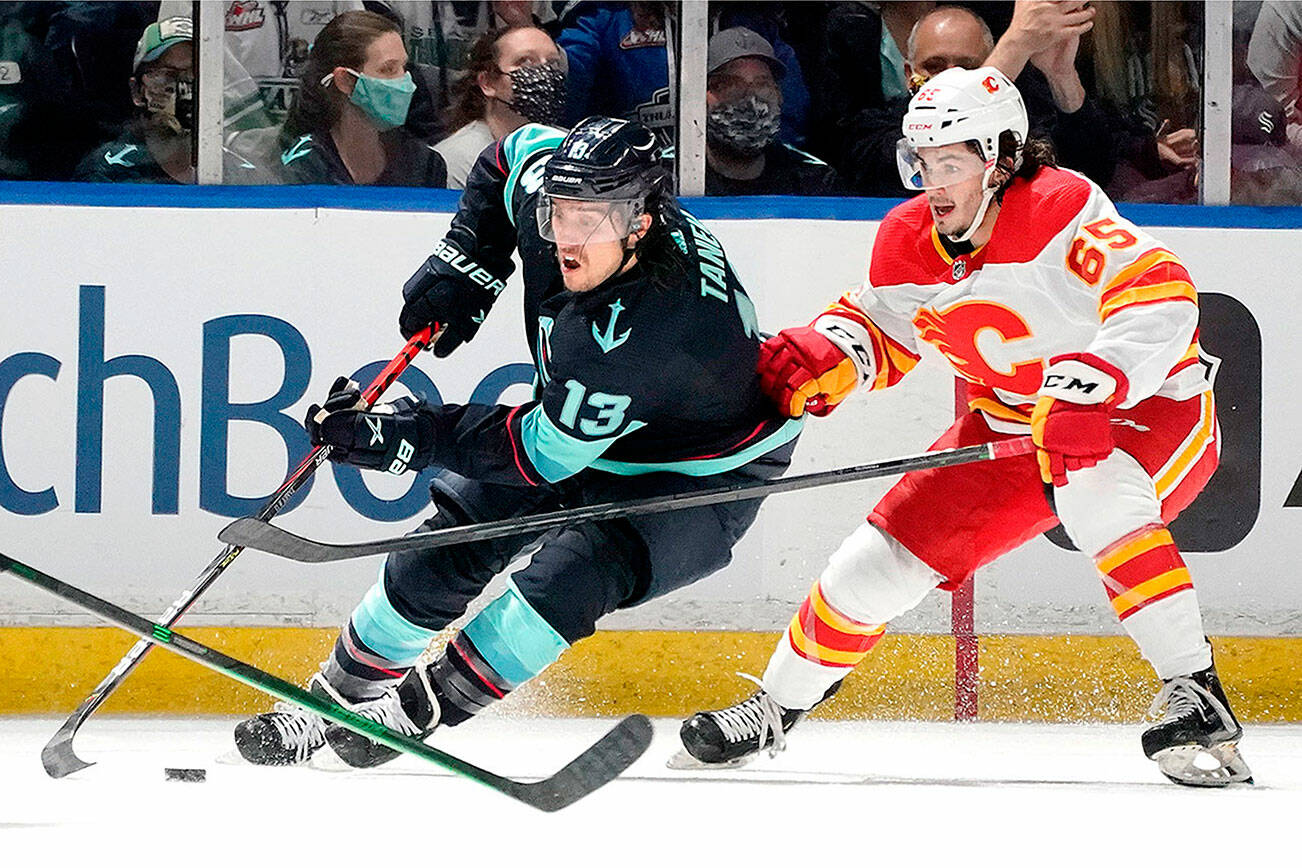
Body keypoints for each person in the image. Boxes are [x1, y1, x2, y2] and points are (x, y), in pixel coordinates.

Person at [679, 66, 1251, 788]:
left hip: (1144, 412)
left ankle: (1197, 696)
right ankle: (776, 705)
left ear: (1003, 158)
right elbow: (885, 326)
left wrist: (1094, 383)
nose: (933, 182)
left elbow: (1161, 295)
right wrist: (831, 353)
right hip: (1013, 426)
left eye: (950, 163)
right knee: (875, 562)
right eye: (922, 164)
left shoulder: (1060, 209)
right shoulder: (907, 235)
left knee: (1095, 491)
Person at [233, 116, 803, 768]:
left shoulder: (643, 331)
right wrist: (468, 260)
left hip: (705, 470)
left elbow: (539, 457)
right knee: (444, 549)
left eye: (591, 219)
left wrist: (408, 435)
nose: (568, 234)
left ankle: (418, 709)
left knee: (574, 576)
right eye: (562, 210)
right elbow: (514, 150)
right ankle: (333, 699)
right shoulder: (555, 207)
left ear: (641, 224)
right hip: (597, 421)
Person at [838, 2, 1116, 196]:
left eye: (969, 68)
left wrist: (1062, 76)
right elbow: (943, 143)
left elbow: (1092, 174)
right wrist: (1016, 43)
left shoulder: (1018, 126)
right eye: (934, 66)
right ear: (909, 73)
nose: (953, 78)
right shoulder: (874, 133)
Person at [268, 10, 446, 186]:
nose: (407, 82)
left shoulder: (426, 165)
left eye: (404, 67)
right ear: (345, 80)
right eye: (388, 69)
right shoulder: (300, 167)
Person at [687, 27, 843, 196]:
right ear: (700, 96)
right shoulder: (668, 177)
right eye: (730, 84)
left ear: (779, 95)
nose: (749, 97)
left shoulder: (816, 181)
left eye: (762, 84)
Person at [434, 24, 566, 189]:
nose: (545, 72)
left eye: (553, 63)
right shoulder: (458, 158)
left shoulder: (571, 146)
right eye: (525, 62)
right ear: (488, 83)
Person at [74, 16, 195, 184]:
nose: (183, 87)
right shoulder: (108, 173)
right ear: (136, 91)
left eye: (194, 75)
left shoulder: (229, 164)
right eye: (165, 75)